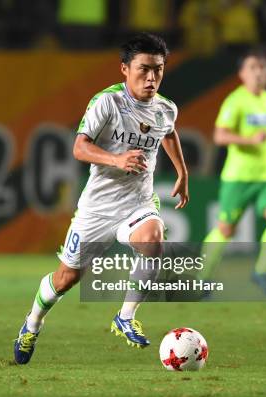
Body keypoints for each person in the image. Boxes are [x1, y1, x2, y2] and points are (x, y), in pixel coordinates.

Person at [13, 33, 189, 365]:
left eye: (159, 70)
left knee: (153, 240)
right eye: (144, 69)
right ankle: (32, 322)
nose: (152, 78)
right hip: (97, 208)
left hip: (138, 202)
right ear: (124, 69)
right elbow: (79, 147)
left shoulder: (166, 108)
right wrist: (116, 159)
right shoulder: (106, 102)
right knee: (66, 278)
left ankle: (125, 316)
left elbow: (169, 131)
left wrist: (182, 171)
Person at [200, 50, 266, 297]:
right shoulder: (235, 101)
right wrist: (249, 140)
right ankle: (203, 278)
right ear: (242, 74)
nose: (259, 72)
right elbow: (220, 136)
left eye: (263, 67)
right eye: (253, 67)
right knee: (226, 229)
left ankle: (261, 271)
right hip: (238, 177)